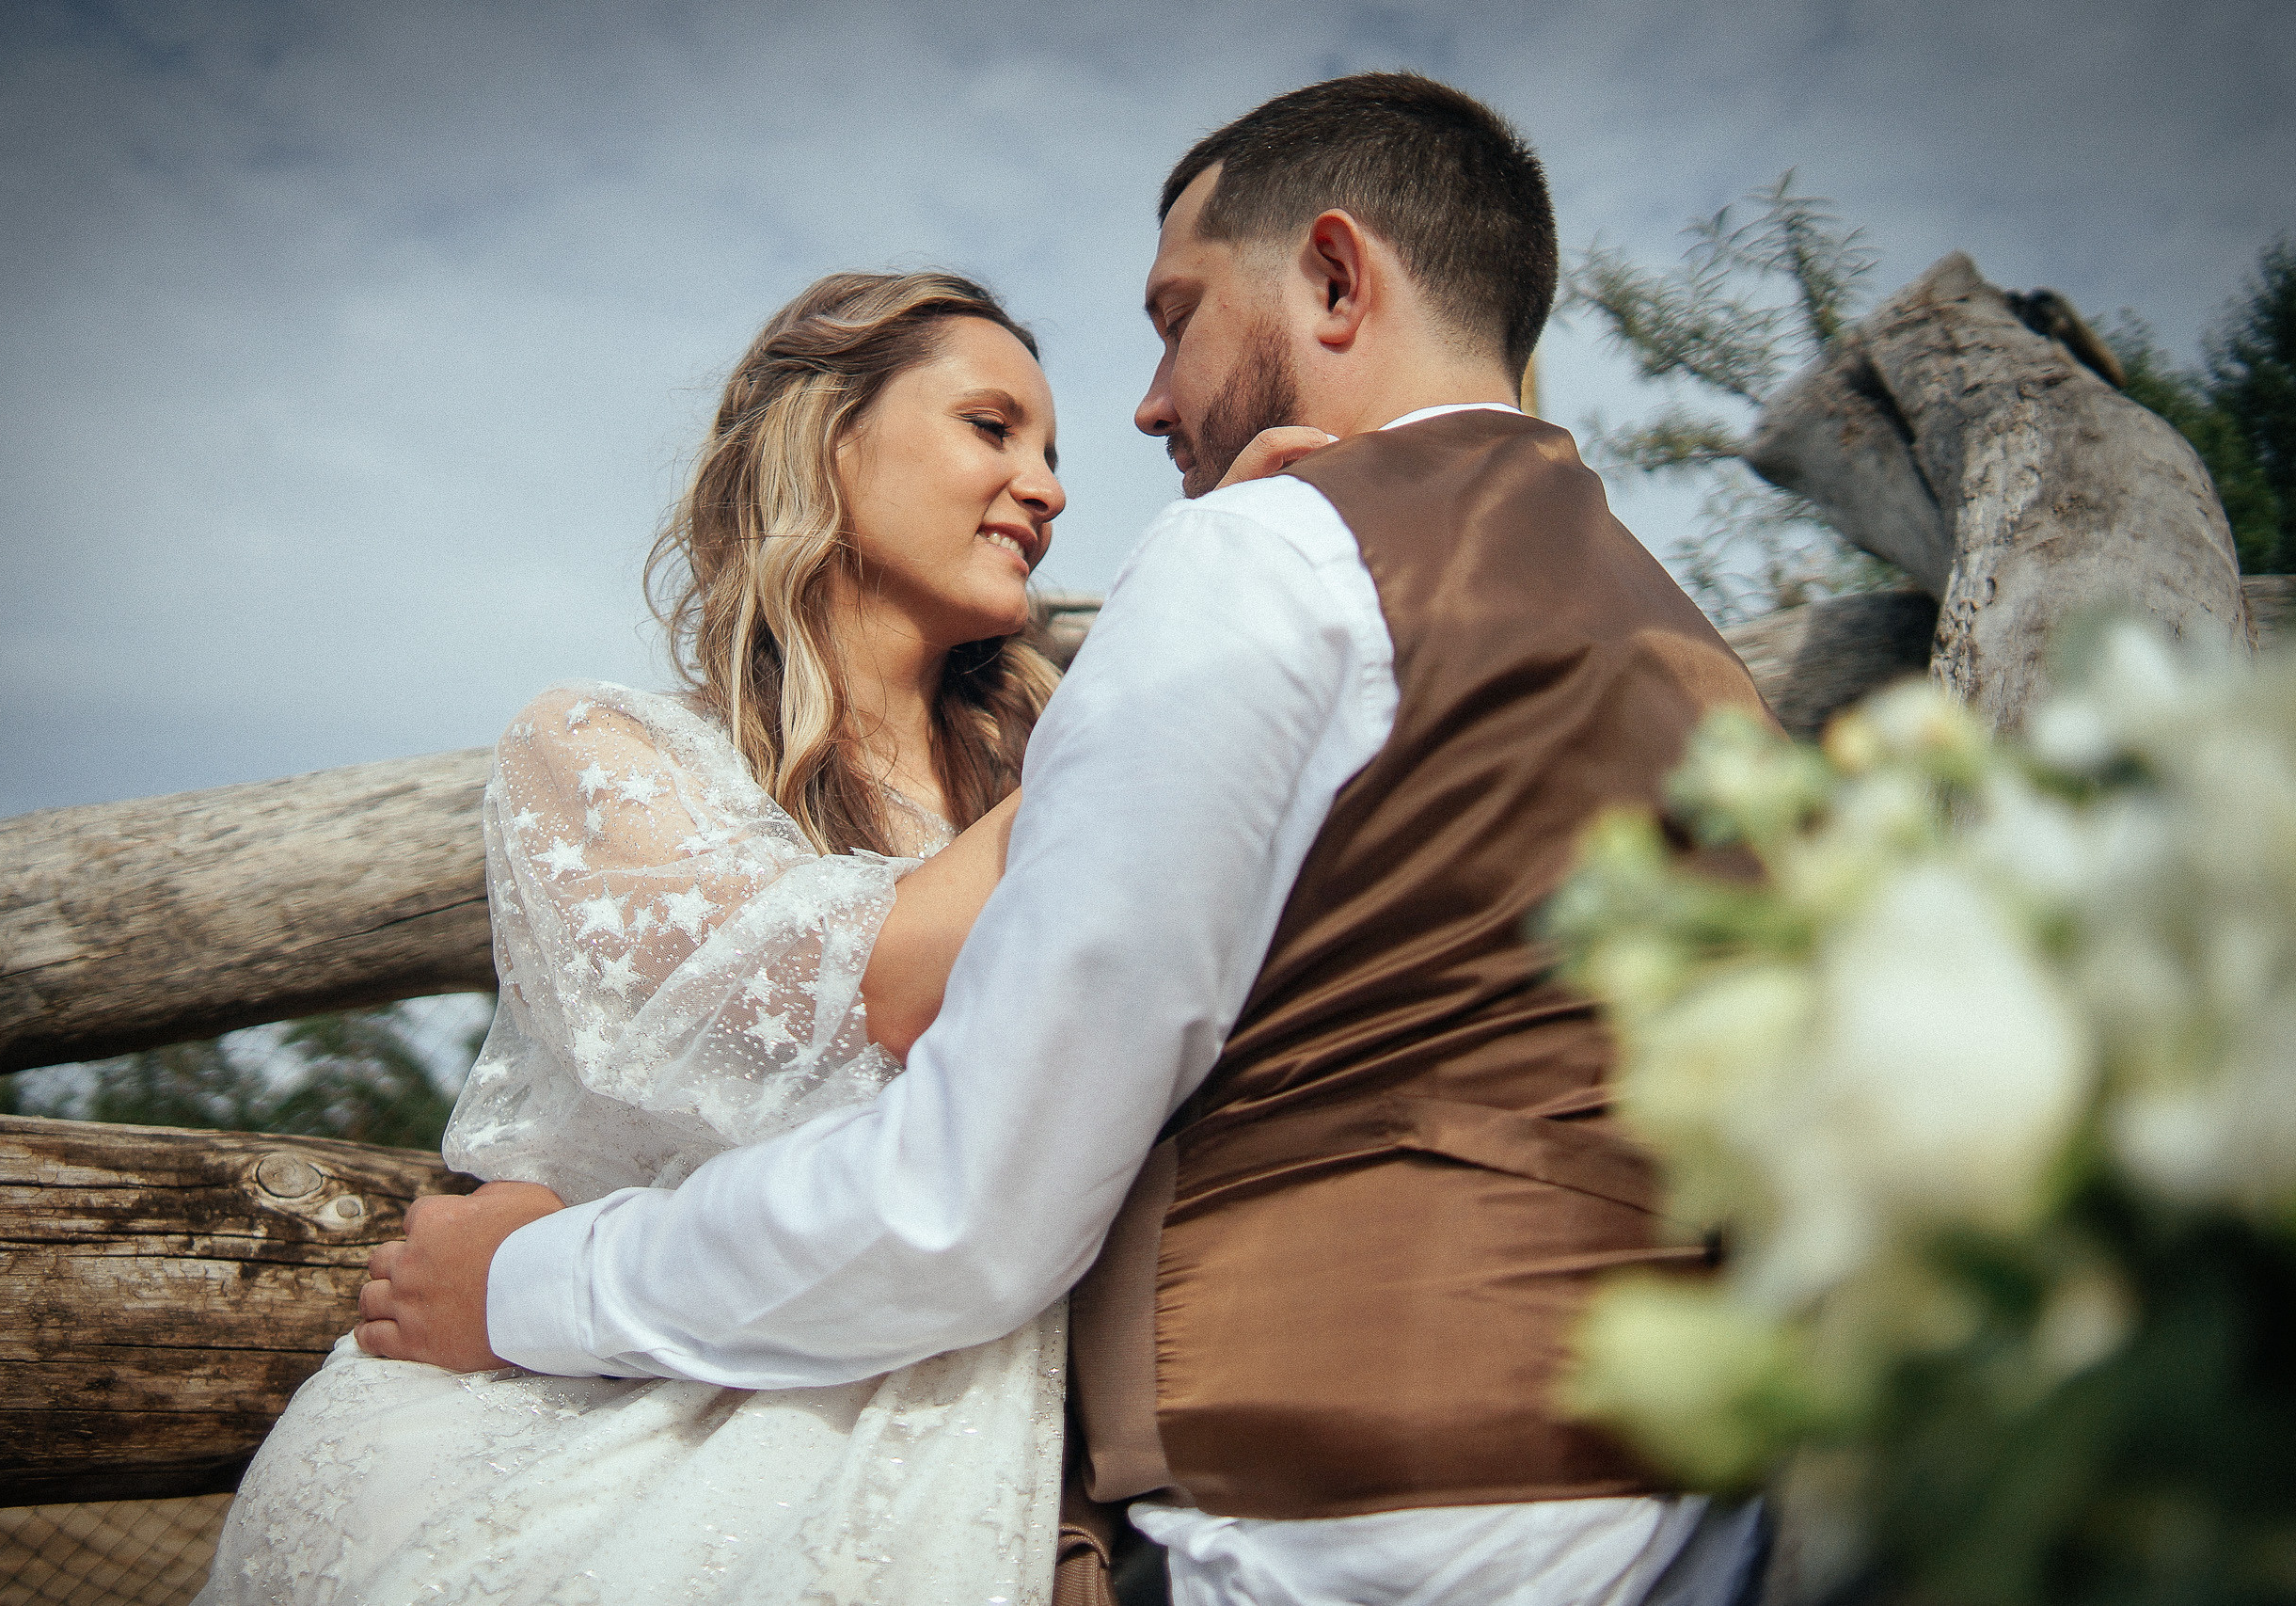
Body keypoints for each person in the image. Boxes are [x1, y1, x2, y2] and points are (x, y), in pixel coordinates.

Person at [364, 73, 1780, 1606]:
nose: (1125, 423)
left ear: (1331, 276)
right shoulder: (1695, 652)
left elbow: (965, 1189)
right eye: (991, 426)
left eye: (1176, 316)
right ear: (823, 444)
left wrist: (530, 1282)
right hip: (1678, 1526)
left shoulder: (1241, 584)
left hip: (1294, 1523)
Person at [197, 270, 1074, 1606]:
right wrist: (1135, 721)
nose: (1049, 488)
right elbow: (853, 1006)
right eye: (994, 428)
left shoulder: (1042, 778)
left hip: (942, 1383)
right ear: (829, 441)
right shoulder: (596, 753)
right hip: (552, 1424)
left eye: (1054, 453)